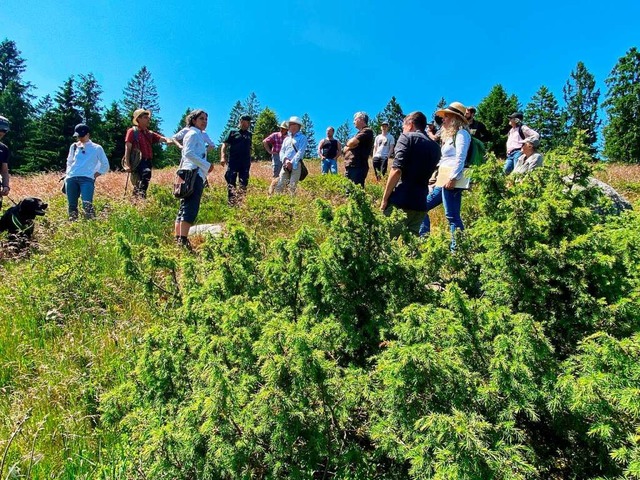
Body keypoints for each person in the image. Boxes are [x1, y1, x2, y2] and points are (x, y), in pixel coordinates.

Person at [419, 102, 470, 251]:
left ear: (455, 118)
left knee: (452, 216)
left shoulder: (462, 134)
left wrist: (453, 178)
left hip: (452, 180)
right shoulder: (451, 136)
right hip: (443, 179)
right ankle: (424, 240)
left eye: (446, 117)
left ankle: (458, 250)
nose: (444, 120)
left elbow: (460, 157)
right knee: (421, 207)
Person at [380, 112, 441, 235]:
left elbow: (396, 170)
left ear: (411, 124)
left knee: (384, 243)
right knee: (411, 249)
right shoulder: (435, 147)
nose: (403, 130)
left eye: (403, 126)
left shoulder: (407, 138)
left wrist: (385, 199)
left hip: (400, 201)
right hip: (420, 204)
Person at [173, 110, 213, 250]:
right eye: (201, 118)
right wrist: (207, 165)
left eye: (206, 119)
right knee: (191, 207)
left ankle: (179, 238)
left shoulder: (197, 134)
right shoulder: (193, 133)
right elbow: (188, 153)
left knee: (184, 206)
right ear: (194, 120)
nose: (204, 121)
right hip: (193, 173)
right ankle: (182, 240)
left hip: (191, 172)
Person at [122, 109, 171, 198]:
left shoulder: (149, 133)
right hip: (138, 161)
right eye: (145, 117)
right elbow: (128, 148)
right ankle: (140, 198)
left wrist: (168, 140)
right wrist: (127, 164)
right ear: (138, 119)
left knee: (144, 179)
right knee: (145, 174)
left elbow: (161, 138)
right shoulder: (132, 131)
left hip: (148, 161)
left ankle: (137, 198)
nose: (148, 119)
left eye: (148, 117)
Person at [65, 123, 109, 220]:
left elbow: (105, 164)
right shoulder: (74, 146)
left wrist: (96, 174)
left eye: (82, 136)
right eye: (78, 136)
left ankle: (90, 226)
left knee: (87, 205)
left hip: (87, 179)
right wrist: (68, 175)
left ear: (88, 135)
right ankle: (72, 225)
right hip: (71, 178)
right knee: (72, 205)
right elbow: (69, 161)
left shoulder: (97, 148)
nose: (80, 138)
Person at [221, 114, 252, 205]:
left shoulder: (249, 134)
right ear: (242, 121)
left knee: (244, 182)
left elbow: (249, 148)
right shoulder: (232, 131)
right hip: (233, 161)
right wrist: (223, 157)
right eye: (248, 122)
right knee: (231, 180)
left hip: (245, 163)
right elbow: (224, 145)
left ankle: (241, 202)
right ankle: (231, 203)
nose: (249, 124)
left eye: (250, 122)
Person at [274, 116, 308, 195]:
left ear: (296, 126)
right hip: (285, 165)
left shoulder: (303, 138)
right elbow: (282, 151)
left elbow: (300, 152)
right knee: (280, 185)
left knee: (292, 187)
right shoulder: (286, 139)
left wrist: (291, 162)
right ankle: (277, 203)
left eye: (290, 124)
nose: (288, 126)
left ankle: (291, 205)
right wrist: (285, 160)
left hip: (296, 165)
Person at [343, 111, 374, 187]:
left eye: (355, 119)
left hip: (358, 166)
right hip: (350, 166)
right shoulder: (358, 133)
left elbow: (351, 143)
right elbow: (344, 149)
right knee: (347, 191)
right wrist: (350, 146)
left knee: (356, 191)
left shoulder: (367, 131)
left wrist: (349, 146)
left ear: (361, 119)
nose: (353, 122)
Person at [263, 121, 289, 193]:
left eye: (283, 128)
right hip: (277, 156)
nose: (281, 130)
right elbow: (265, 141)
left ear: (287, 130)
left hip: (286, 158)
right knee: (276, 174)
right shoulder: (275, 135)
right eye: (281, 128)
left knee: (286, 175)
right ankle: (271, 192)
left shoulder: (289, 138)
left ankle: (283, 192)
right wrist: (269, 151)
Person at [0, 116, 11, 199]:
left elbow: (4, 171)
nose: (1, 132)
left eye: (4, 130)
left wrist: (6, 186)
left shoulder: (4, 148)